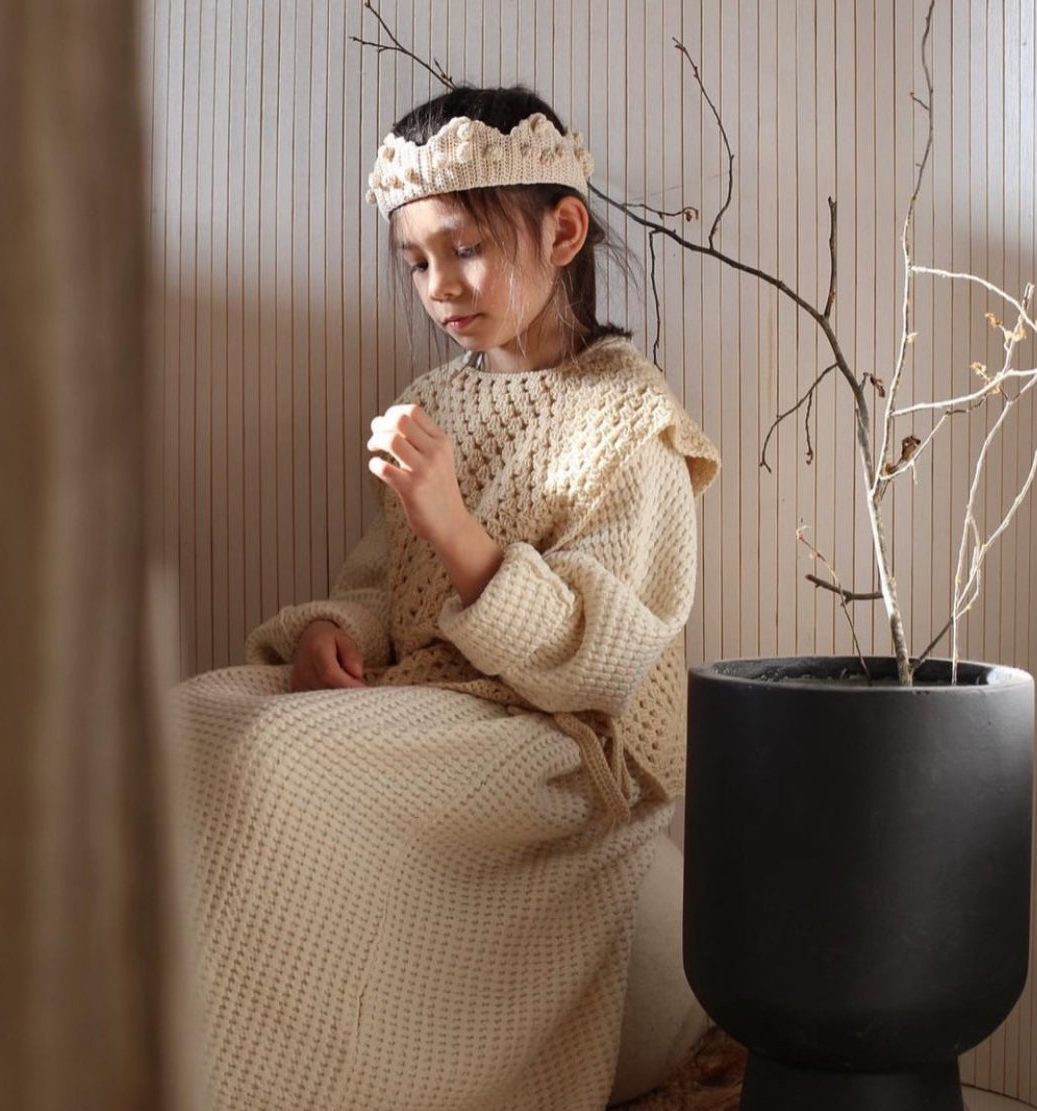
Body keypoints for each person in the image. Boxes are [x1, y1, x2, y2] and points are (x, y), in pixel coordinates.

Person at [172, 84, 719, 1111]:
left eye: (464, 248)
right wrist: (332, 630)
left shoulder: (628, 417)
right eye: (415, 261)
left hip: (552, 736)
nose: (439, 286)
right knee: (188, 715)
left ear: (562, 233)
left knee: (275, 759)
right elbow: (384, 585)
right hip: (422, 695)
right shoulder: (434, 401)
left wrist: (454, 523)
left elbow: (609, 660)